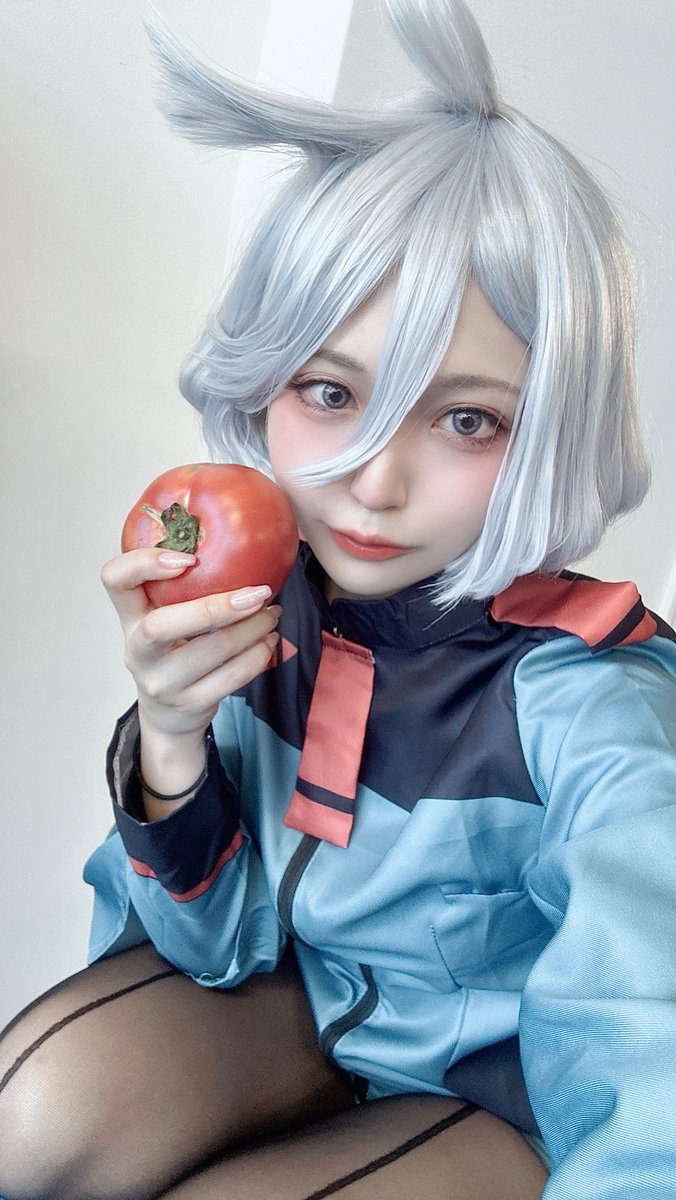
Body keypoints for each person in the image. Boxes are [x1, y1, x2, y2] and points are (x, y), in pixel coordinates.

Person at [1, 1, 675, 1197]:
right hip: (296, 1013)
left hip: (502, 1098)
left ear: (550, 434)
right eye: (329, 391)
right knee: (32, 1118)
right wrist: (171, 740)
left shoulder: (592, 701)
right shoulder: (264, 601)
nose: (374, 481)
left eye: (465, 419)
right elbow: (212, 946)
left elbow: (648, 1066)